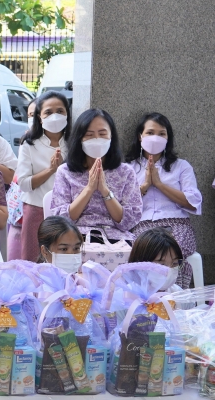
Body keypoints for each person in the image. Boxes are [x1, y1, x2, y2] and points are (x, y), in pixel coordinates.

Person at [125, 113, 201, 289]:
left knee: (172, 251)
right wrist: (145, 186)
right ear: (140, 136)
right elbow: (122, 206)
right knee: (144, 250)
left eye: (161, 134)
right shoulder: (129, 168)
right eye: (150, 132)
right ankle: (146, 300)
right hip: (142, 225)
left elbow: (193, 201)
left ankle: (176, 298)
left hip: (177, 224)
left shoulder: (181, 166)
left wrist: (159, 184)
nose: (155, 138)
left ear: (168, 138)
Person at [50, 108, 142, 243]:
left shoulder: (126, 172)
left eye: (102, 133)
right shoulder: (65, 171)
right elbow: (61, 220)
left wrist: (104, 191)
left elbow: (129, 221)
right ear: (79, 138)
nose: (96, 139)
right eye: (89, 134)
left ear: (111, 136)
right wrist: (89, 188)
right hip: (75, 238)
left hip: (116, 239)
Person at [15, 91, 71, 262]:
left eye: (60, 111)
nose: (54, 116)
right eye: (48, 112)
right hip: (35, 209)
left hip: (66, 210)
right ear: (40, 117)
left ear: (67, 114)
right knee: (33, 259)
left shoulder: (73, 142)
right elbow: (23, 183)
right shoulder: (29, 144)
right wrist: (51, 170)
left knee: (63, 260)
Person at [6, 100, 39, 260]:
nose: (33, 118)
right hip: (17, 212)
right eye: (30, 115)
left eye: (37, 114)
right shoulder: (26, 139)